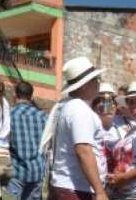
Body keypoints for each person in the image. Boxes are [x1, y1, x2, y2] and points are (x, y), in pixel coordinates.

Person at [49, 57, 108, 200]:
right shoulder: (79, 110)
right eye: (96, 79)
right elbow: (83, 150)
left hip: (71, 186)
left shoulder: (70, 107)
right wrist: (99, 191)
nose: (99, 83)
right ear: (85, 85)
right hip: (75, 188)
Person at [7, 81, 47, 200]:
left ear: (15, 95)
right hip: (37, 172)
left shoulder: (10, 114)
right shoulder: (43, 116)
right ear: (31, 96)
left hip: (16, 171)